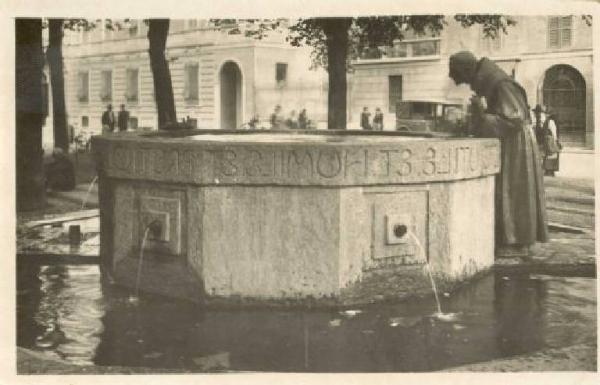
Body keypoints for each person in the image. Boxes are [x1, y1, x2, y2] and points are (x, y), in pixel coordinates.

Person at [448, 51, 548, 257]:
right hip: (511, 140)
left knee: (513, 190)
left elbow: (514, 120)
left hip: (516, 143)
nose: (463, 83)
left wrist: (482, 114)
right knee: (509, 189)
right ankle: (511, 239)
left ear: (468, 71)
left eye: (462, 78)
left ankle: (516, 242)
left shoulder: (500, 83)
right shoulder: (492, 80)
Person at [541, 110, 561, 176]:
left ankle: (548, 170)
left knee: (549, 154)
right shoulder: (550, 121)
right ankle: (550, 170)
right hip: (550, 139)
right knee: (551, 154)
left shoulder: (548, 121)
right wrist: (555, 140)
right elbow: (554, 132)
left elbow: (551, 131)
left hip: (547, 139)